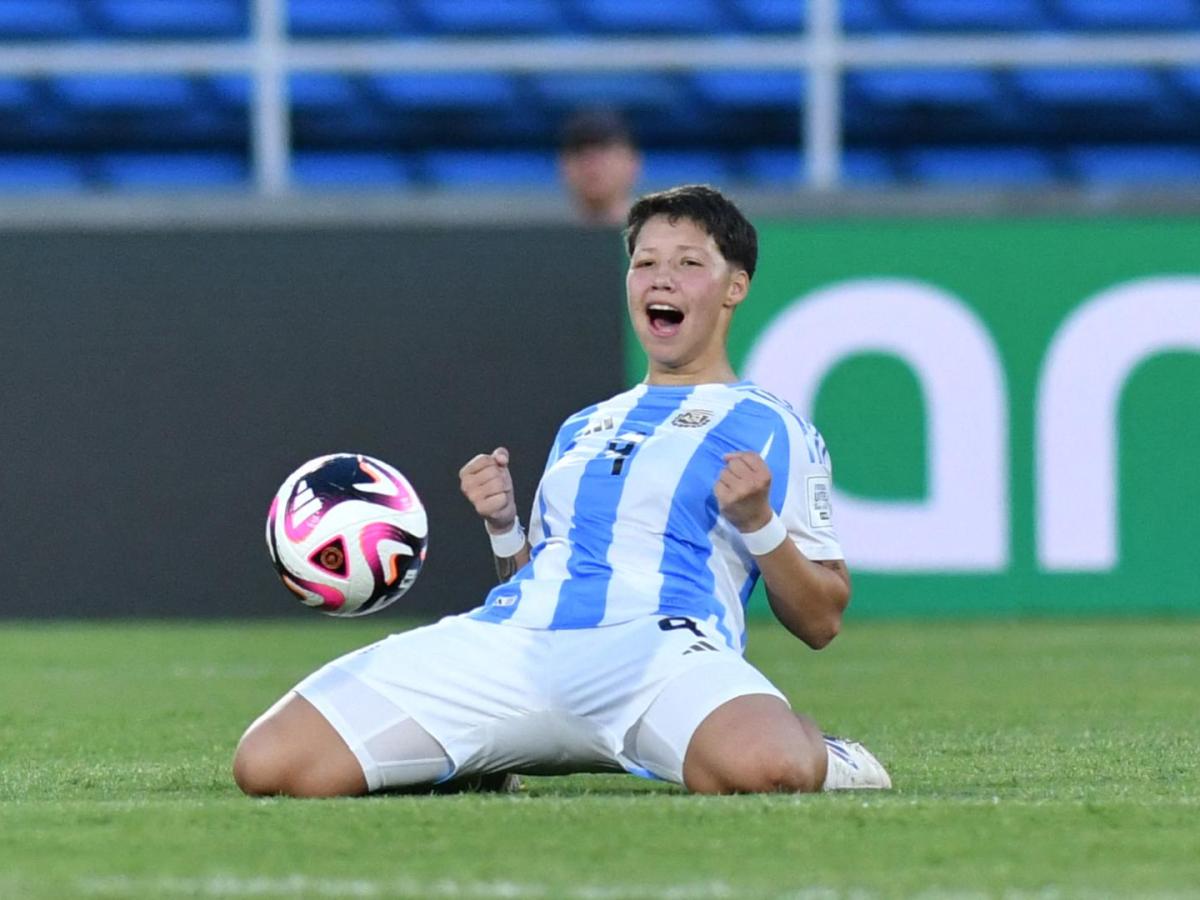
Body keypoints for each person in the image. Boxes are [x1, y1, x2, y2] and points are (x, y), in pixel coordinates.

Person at [232, 184, 891, 798]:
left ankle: (835, 758)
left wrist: (758, 522)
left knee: (771, 768)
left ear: (734, 287)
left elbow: (822, 619)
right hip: (517, 640)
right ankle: (481, 756)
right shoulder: (585, 424)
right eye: (645, 263)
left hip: (659, 650)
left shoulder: (773, 426)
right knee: (270, 763)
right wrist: (503, 526)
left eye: (689, 263)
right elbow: (537, 578)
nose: (661, 277)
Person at [557, 108, 642, 226]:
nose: (591, 163)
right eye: (579, 151)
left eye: (604, 150)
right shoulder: (547, 240)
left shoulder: (661, 237)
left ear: (632, 162)